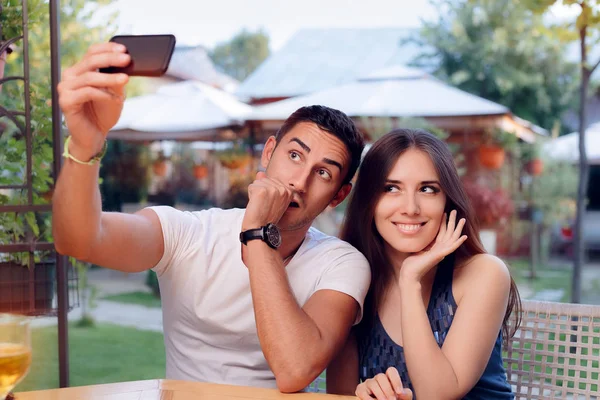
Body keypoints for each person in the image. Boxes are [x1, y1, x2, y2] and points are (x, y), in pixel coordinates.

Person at [53, 42, 371, 392]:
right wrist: (85, 145)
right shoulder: (190, 234)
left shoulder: (341, 263)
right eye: (295, 155)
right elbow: (80, 240)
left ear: (339, 196)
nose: (300, 181)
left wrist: (257, 234)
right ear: (269, 152)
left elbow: (294, 367)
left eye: (324, 174)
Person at [326, 129, 521, 400]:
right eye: (391, 188)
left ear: (447, 201)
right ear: (368, 201)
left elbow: (437, 394)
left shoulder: (484, 273)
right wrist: (363, 392)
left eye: (427, 189)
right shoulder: (354, 280)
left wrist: (409, 280)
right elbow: (338, 394)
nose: (411, 207)